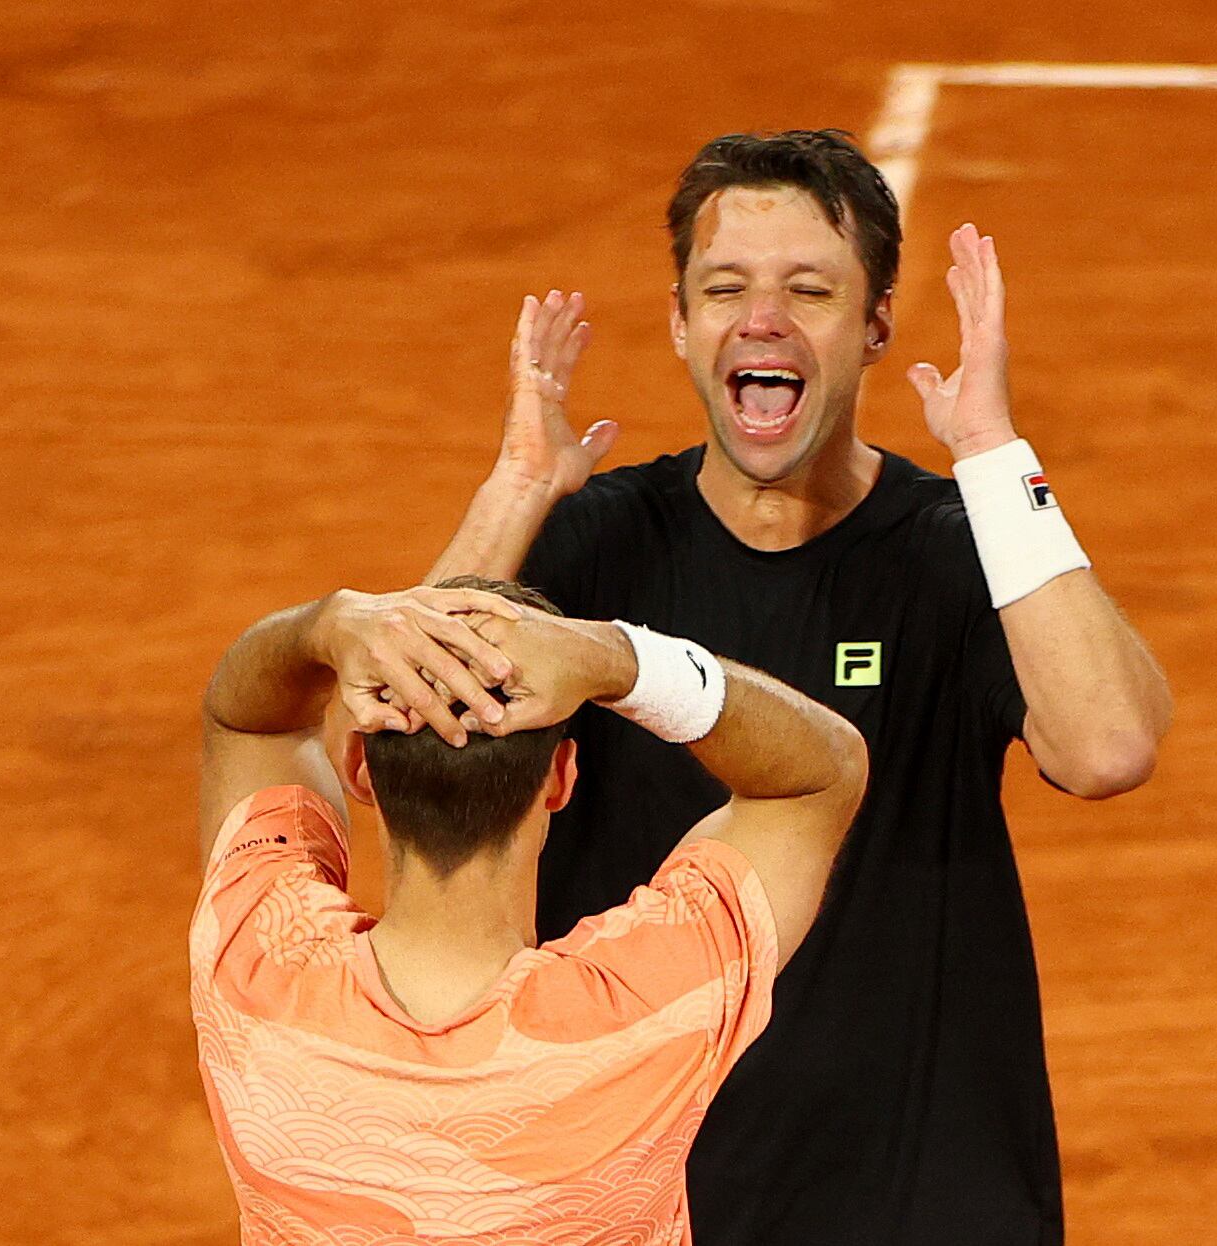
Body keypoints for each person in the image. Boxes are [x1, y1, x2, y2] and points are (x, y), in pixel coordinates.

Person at [424, 130, 1174, 1244]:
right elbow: (405, 743)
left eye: (809, 291)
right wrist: (518, 489)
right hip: (642, 1188)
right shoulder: (589, 548)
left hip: (918, 1193)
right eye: (724, 288)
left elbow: (1107, 746)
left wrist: (993, 453)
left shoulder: (956, 549)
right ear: (681, 323)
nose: (761, 320)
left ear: (876, 327)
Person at [192, 576, 868, 1244]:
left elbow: (245, 718)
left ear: (357, 766)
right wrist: (618, 661)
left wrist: (322, 627)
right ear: (561, 777)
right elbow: (818, 776)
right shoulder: (650, 1004)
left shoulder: (253, 963)